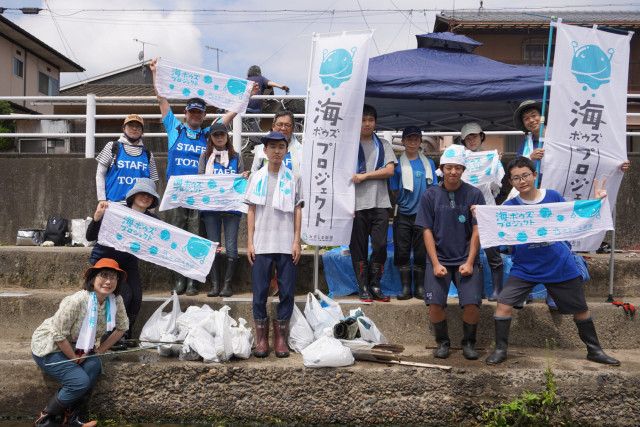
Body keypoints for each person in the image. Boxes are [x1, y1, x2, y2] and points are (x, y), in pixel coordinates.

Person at [485, 157, 620, 366]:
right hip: (525, 268)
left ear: (534, 175)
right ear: (511, 182)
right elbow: (492, 224)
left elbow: (574, 217)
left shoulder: (553, 197)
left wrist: (596, 202)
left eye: (525, 175)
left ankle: (594, 350)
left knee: (581, 309)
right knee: (503, 305)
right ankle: (501, 350)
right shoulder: (510, 206)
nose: (522, 181)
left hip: (559, 264)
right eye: (516, 178)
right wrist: (480, 214)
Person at [150, 58, 236, 296]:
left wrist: (246, 94)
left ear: (204, 114)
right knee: (176, 235)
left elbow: (230, 116)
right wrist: (156, 73)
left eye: (199, 112)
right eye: (192, 112)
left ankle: (192, 280)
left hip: (199, 194)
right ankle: (178, 279)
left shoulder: (209, 134)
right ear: (185, 113)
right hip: (176, 192)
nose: (195, 115)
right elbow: (161, 99)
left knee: (195, 237)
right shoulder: (174, 129)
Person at [31, 258, 129, 427]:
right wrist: (74, 358)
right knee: (79, 381)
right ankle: (46, 419)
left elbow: (122, 327)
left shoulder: (115, 301)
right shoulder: (77, 301)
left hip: (80, 347)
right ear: (92, 278)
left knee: (94, 365)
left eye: (113, 277)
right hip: (50, 346)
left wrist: (100, 350)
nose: (108, 281)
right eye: (103, 275)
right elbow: (57, 334)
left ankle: (71, 418)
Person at [415, 144, 485, 360]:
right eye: (449, 168)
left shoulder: (474, 193)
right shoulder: (430, 195)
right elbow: (426, 230)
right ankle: (443, 342)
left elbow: (477, 229)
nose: (453, 172)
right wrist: (435, 263)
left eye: (457, 168)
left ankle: (469, 342)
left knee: (472, 304)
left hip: (466, 257)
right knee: (434, 304)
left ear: (463, 170)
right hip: (439, 258)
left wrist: (470, 261)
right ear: (441, 168)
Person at [246, 131, 303, 358]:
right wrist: (249, 241)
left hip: (286, 243)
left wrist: (297, 240)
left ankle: (281, 339)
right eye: (272, 147)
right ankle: (262, 340)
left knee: (287, 292)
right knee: (259, 292)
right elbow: (250, 209)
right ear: (265, 150)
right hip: (261, 244)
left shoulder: (293, 177)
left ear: (286, 150)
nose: (277, 151)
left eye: (281, 147)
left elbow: (298, 209)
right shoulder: (257, 176)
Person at [86, 178, 160, 348]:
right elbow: (90, 237)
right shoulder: (116, 210)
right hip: (105, 260)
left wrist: (208, 248)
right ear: (133, 196)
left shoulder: (153, 220)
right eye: (142, 193)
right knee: (124, 294)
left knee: (137, 297)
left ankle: (125, 334)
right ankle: (110, 335)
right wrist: (97, 218)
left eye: (150, 196)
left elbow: (174, 239)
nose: (145, 197)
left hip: (128, 263)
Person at [350, 104, 397, 302]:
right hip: (356, 203)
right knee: (358, 247)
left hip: (380, 202)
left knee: (379, 245)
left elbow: (390, 171)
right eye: (363, 119)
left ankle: (375, 284)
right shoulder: (349, 145)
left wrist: (365, 176)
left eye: (370, 120)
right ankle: (363, 287)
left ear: (375, 122)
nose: (367, 123)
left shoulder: (383, 144)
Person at [198, 123, 249, 298]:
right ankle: (215, 284)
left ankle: (227, 285)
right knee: (213, 246)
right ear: (210, 138)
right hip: (210, 208)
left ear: (227, 137)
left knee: (232, 247)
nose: (219, 138)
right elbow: (199, 181)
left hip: (231, 208)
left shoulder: (236, 156)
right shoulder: (205, 157)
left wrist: (244, 176)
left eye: (222, 135)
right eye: (216, 135)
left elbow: (242, 179)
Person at [389, 126, 437, 300]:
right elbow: (393, 189)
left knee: (421, 252)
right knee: (401, 251)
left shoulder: (429, 163)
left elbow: (434, 190)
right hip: (403, 214)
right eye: (409, 139)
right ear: (403, 141)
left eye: (416, 139)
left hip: (423, 215)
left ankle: (419, 288)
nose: (412, 142)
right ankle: (405, 288)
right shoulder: (397, 165)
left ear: (420, 141)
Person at [459, 122, 505, 301]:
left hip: (486, 209)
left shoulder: (491, 158)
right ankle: (474, 290)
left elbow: (496, 188)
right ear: (463, 140)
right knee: (469, 251)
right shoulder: (460, 159)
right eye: (468, 138)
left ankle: (497, 290)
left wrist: (495, 165)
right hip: (465, 211)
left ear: (481, 137)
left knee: (492, 250)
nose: (472, 140)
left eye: (475, 136)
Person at [95, 114, 158, 202]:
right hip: (113, 205)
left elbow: (152, 182)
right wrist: (102, 199)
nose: (134, 129)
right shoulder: (112, 147)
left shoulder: (148, 154)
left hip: (139, 208)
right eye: (131, 125)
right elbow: (100, 174)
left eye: (138, 126)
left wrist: (151, 207)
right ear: (124, 128)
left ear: (142, 131)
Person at [245, 65, 290, 148]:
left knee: (249, 128)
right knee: (255, 129)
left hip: (245, 107)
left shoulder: (246, 80)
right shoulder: (261, 78)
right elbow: (270, 83)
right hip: (256, 109)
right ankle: (259, 144)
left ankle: (251, 143)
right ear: (259, 72)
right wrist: (281, 86)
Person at [250, 110, 302, 175]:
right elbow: (254, 173)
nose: (283, 128)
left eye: (287, 125)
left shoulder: (301, 150)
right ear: (273, 126)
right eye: (279, 124)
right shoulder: (261, 148)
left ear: (293, 128)